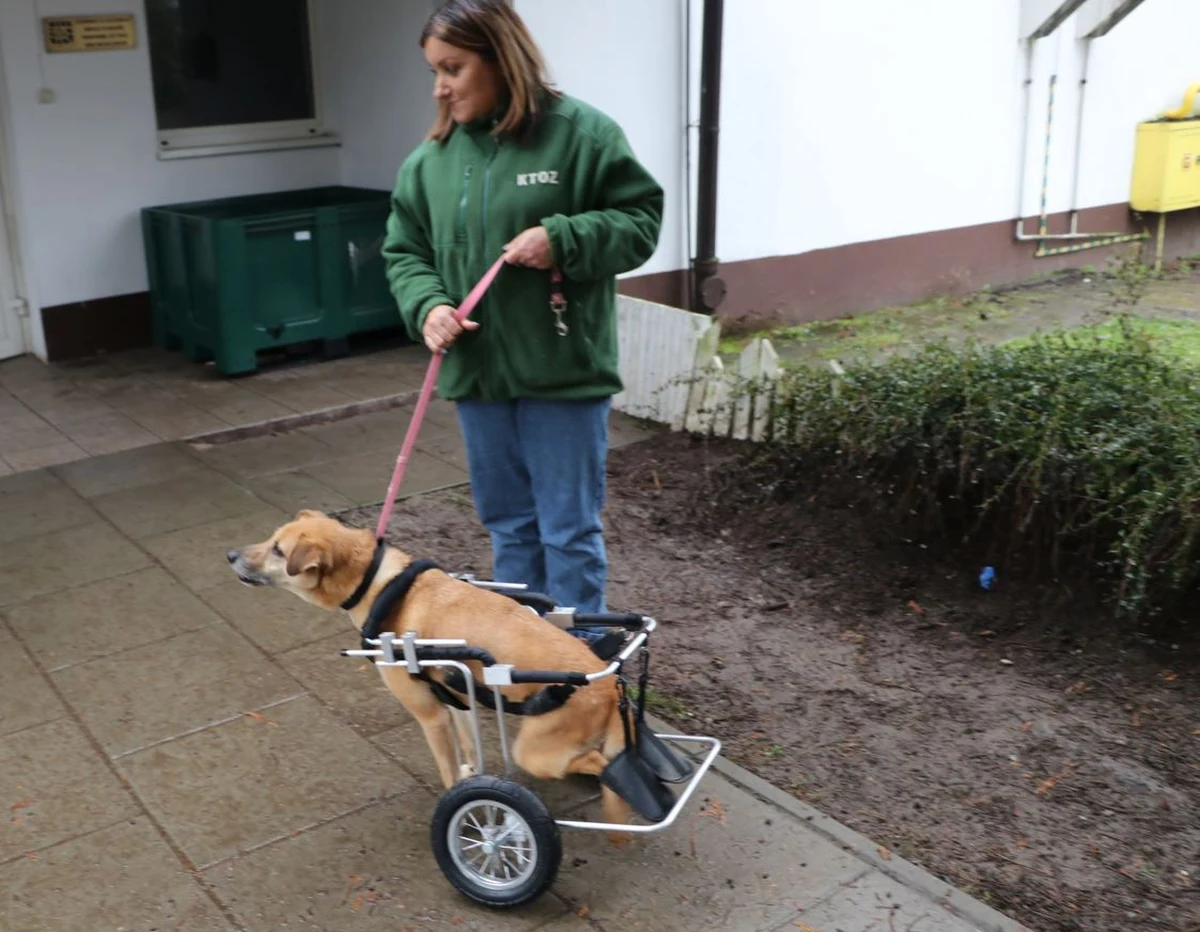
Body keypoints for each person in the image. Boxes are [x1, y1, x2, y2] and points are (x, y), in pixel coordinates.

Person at [381, 0, 664, 614]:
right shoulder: (429, 162)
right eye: (435, 71)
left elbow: (640, 222)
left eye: (453, 68)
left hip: (562, 374)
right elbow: (404, 251)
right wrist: (428, 305)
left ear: (500, 56)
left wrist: (563, 237)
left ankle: (579, 672)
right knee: (510, 527)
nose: (441, 87)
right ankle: (526, 664)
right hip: (479, 377)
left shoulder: (582, 136)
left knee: (569, 533)